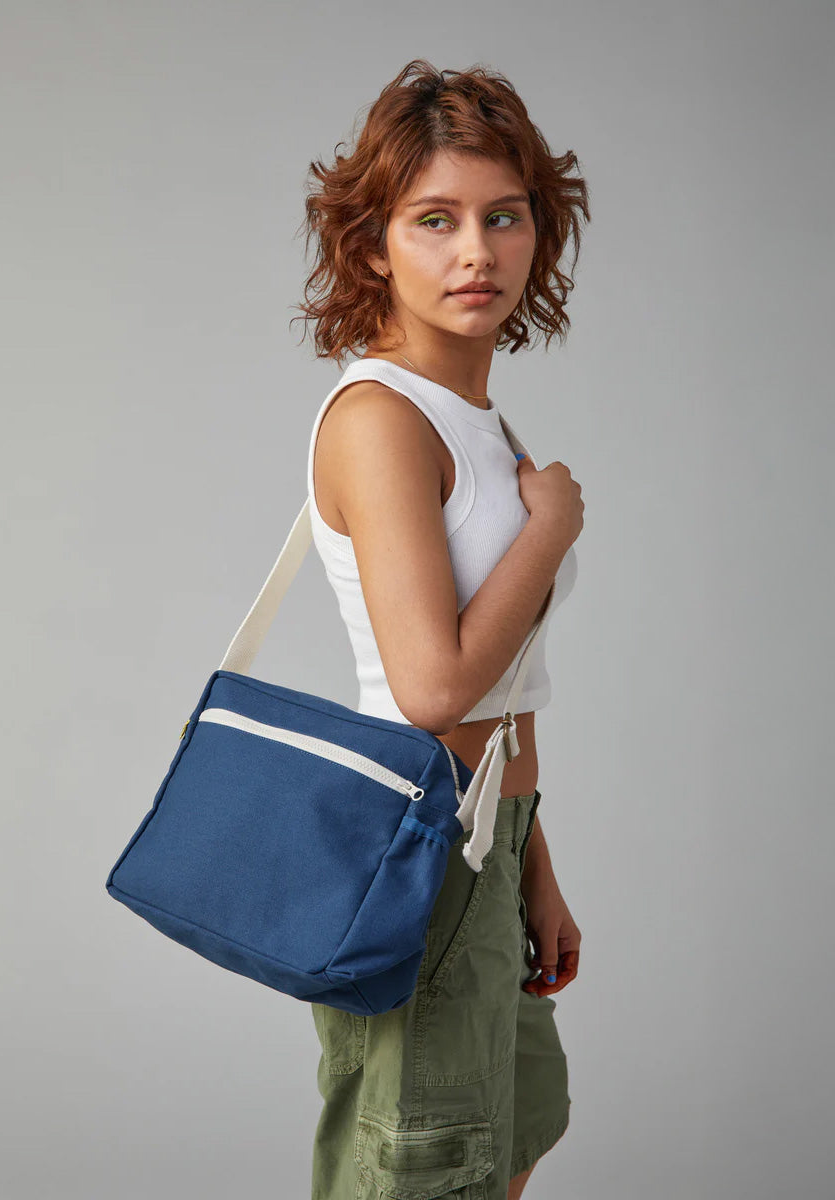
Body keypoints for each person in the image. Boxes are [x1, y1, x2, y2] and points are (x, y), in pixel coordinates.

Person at [291, 60, 591, 1199]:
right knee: (423, 1173)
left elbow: (507, 682)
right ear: (373, 245)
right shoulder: (379, 419)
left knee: (500, 1151)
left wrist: (532, 867)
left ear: (536, 234)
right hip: (411, 857)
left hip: (483, 848)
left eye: (503, 215)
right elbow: (432, 689)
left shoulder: (475, 417)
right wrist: (547, 530)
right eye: (435, 219)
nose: (477, 251)